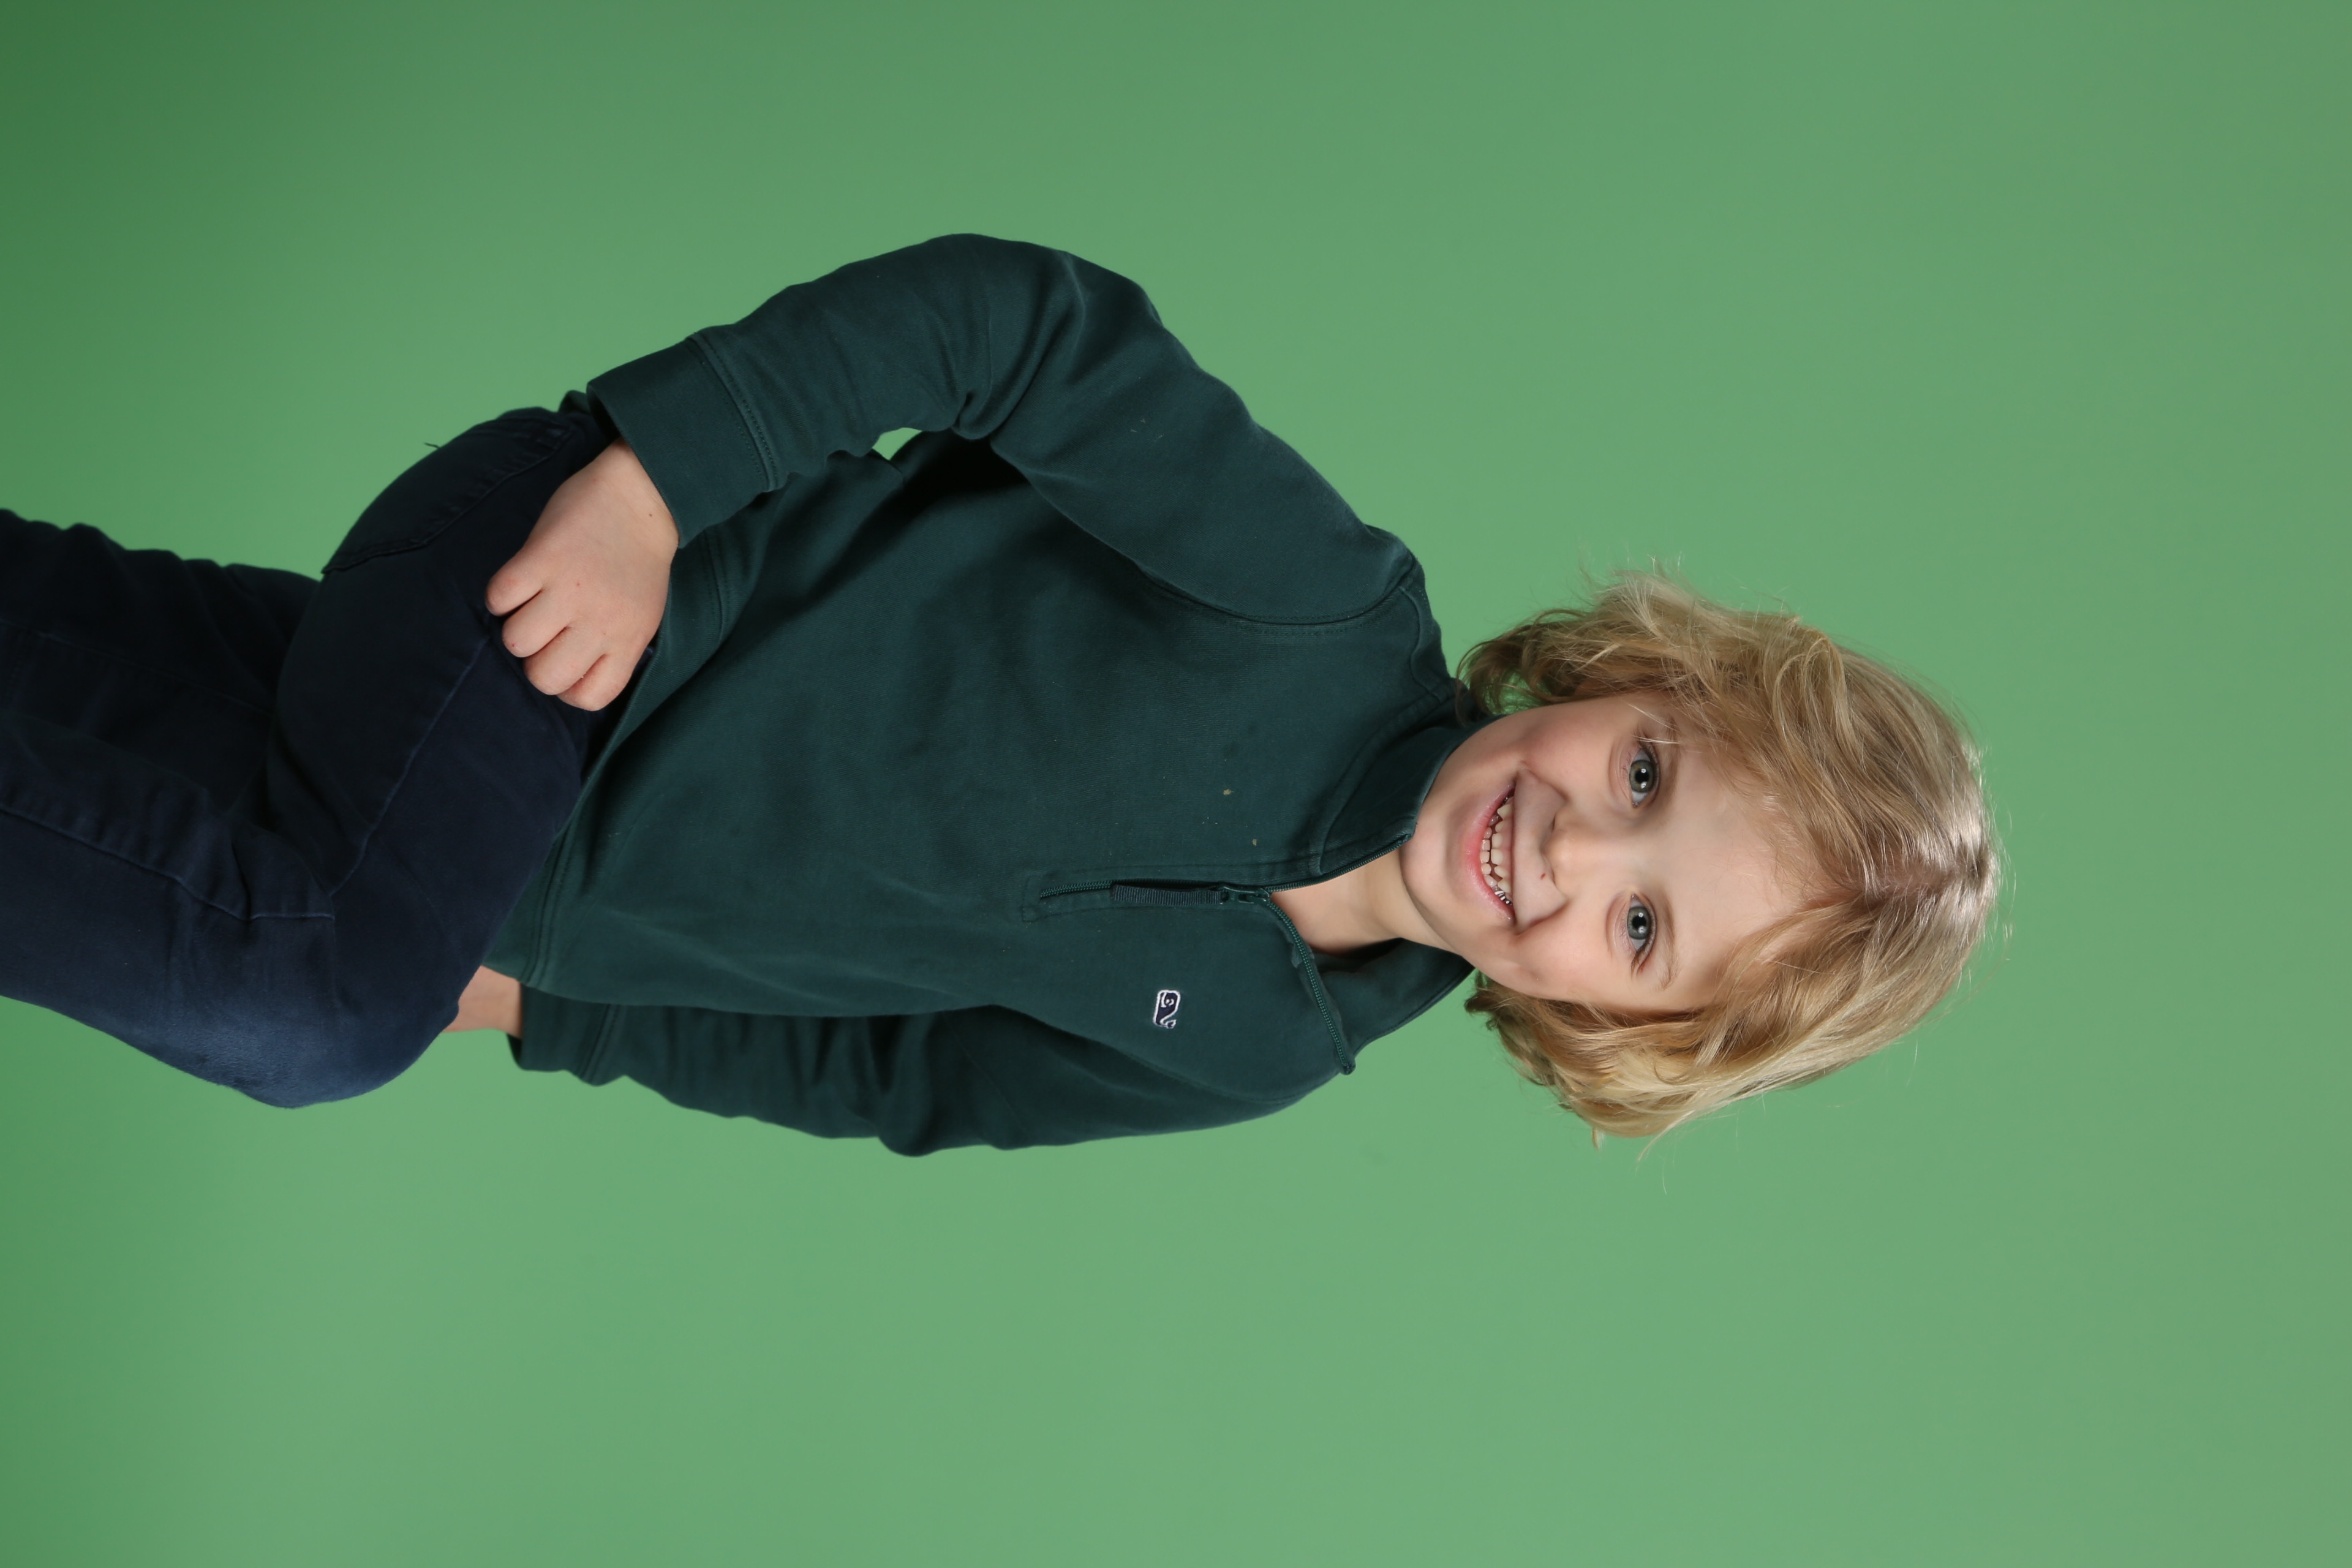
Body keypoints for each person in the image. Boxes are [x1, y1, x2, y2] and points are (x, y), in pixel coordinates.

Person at [6, 235, 1997, 1148]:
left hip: (480, 853)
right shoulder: (1315, 607)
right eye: (1643, 774)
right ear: (1630, 682)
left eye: (1642, 929)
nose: (1569, 851)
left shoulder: (1256, 1050)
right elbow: (1026, 331)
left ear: (1619, 1033)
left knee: (135, 709)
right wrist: (659, 480)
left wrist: (545, 1006)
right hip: (561, 598)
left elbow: (895, 1072)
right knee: (311, 999)